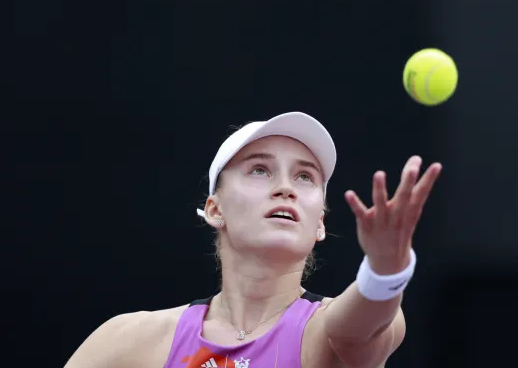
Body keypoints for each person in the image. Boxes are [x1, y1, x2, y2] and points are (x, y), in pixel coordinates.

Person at [64, 111, 442, 368]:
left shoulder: (325, 333)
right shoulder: (130, 341)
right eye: (260, 169)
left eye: (305, 177)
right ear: (215, 209)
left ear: (320, 224)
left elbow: (360, 329)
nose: (285, 188)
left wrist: (386, 268)